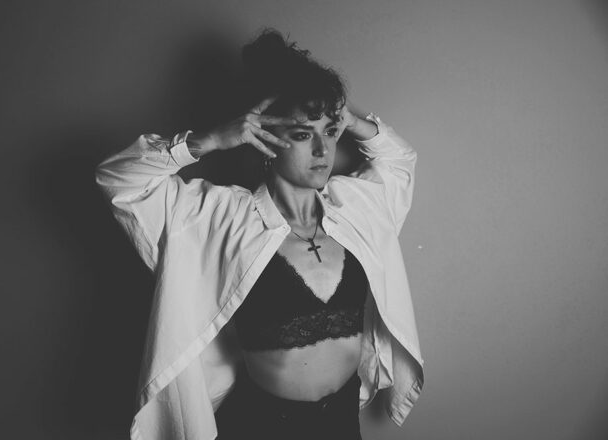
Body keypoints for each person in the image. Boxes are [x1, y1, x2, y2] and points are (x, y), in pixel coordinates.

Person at [96, 29, 424, 440]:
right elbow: (120, 180)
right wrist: (210, 140)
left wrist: (351, 120)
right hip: (262, 427)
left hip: (343, 426)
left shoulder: (355, 208)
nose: (323, 150)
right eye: (303, 135)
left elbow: (399, 161)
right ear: (264, 139)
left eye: (330, 131)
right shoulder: (221, 217)